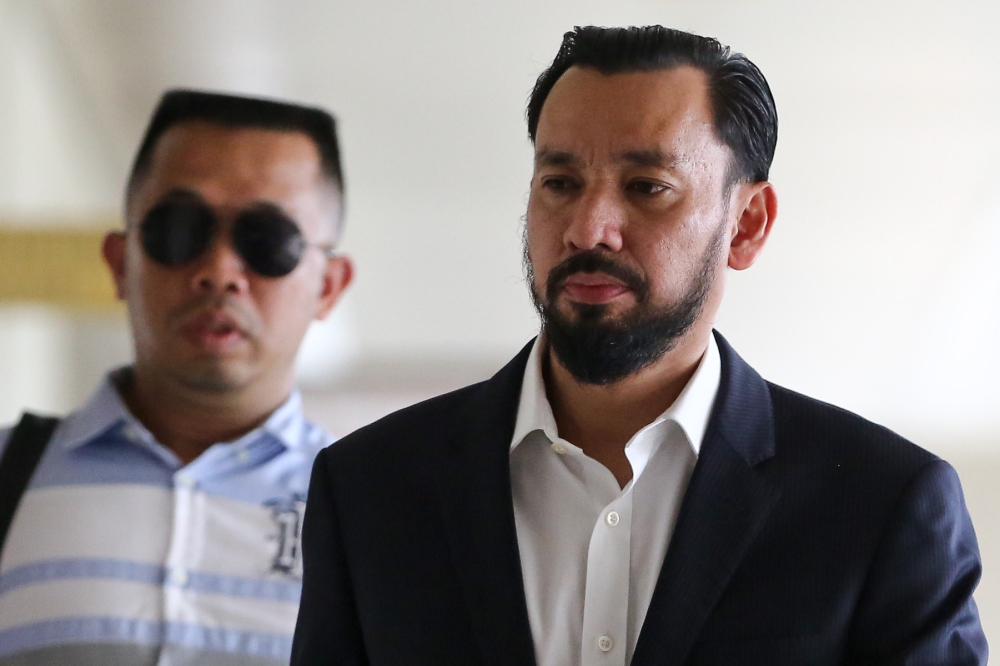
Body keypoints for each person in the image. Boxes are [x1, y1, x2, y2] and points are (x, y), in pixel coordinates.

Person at [290, 26, 988, 666]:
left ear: (746, 225)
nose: (587, 228)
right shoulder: (370, 492)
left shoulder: (880, 506)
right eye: (560, 183)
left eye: (647, 187)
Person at [0, 89, 353, 665]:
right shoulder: (9, 475)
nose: (218, 272)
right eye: (180, 229)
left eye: (268, 241)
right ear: (119, 262)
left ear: (329, 286)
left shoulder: (372, 518)